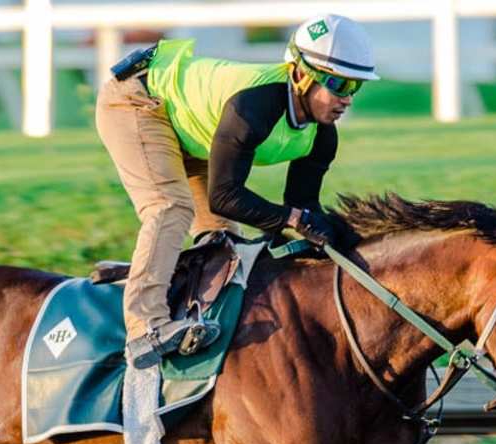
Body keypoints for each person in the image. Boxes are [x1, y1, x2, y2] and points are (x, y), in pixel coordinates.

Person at [95, 14, 378, 369]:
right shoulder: (254, 106)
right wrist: (293, 219)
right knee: (170, 208)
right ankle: (145, 327)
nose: (347, 99)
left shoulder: (322, 136)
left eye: (356, 87)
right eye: (339, 85)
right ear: (301, 75)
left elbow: (299, 211)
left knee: (223, 239)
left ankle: (184, 302)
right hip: (140, 101)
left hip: (195, 129)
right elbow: (226, 197)